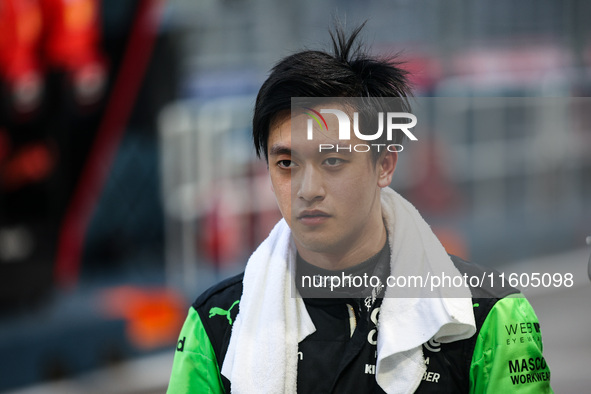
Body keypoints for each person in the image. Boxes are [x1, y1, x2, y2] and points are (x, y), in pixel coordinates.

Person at [167, 25, 552, 393]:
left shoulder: (488, 314)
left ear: (384, 164)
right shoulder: (216, 322)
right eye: (286, 164)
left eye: (333, 161)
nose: (307, 190)